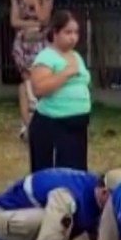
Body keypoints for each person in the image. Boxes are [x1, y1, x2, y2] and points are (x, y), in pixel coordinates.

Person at [27, 11, 93, 171]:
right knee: (54, 173)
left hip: (77, 125)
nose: (73, 37)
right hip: (53, 125)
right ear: (55, 33)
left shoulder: (76, 56)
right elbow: (39, 88)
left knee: (75, 172)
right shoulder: (46, 57)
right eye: (68, 32)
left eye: (76, 33)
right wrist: (65, 73)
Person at [11, 0, 53, 136]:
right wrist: (31, 25)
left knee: (40, 78)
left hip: (41, 43)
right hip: (23, 43)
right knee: (26, 79)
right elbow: (14, 21)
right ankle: (26, 122)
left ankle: (41, 117)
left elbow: (44, 19)